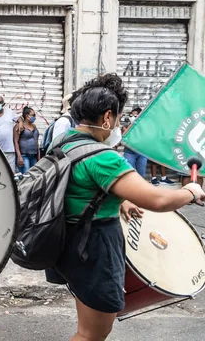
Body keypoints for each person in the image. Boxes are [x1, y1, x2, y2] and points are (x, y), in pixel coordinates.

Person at [44, 73, 205, 341]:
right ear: (107, 117)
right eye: (118, 118)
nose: (118, 125)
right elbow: (158, 200)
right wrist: (190, 190)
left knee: (86, 325)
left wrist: (121, 198)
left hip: (68, 242)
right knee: (91, 333)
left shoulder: (64, 142)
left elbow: (81, 186)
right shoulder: (102, 158)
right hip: (93, 247)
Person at [122, 107, 148, 178]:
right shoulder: (126, 125)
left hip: (141, 152)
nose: (133, 117)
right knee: (129, 174)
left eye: (135, 115)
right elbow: (125, 134)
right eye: (131, 115)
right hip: (129, 151)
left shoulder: (145, 125)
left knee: (141, 174)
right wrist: (131, 125)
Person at [13, 106, 39, 174]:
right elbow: (15, 141)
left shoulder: (34, 126)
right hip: (24, 156)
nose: (34, 117)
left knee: (35, 176)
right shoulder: (19, 126)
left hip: (33, 156)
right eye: (33, 115)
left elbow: (36, 141)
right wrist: (19, 156)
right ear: (27, 116)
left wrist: (38, 155)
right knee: (26, 177)